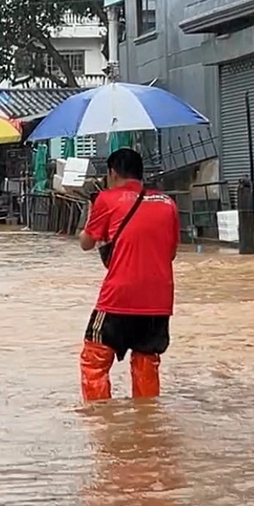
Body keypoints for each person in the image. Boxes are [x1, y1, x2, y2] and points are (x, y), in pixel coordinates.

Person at [77, 148, 180, 402]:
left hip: (118, 297)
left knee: (94, 363)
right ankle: (146, 424)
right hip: (158, 301)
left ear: (112, 172)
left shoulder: (106, 199)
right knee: (146, 365)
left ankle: (101, 424)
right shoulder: (168, 203)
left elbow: (86, 243)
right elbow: (171, 252)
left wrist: (94, 211)